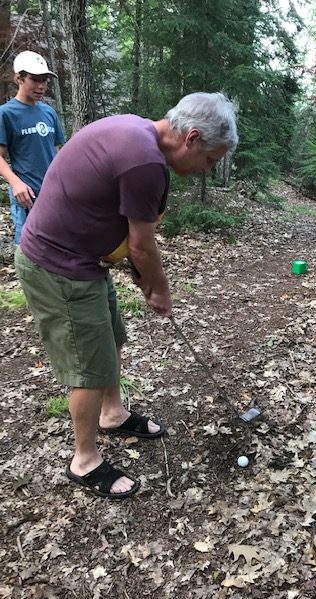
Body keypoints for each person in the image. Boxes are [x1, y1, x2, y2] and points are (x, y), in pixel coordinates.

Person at [15, 92, 238, 499]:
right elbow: (141, 246)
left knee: (110, 339)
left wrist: (142, 276)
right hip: (57, 264)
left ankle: (113, 414)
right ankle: (84, 461)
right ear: (190, 138)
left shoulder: (138, 133)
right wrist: (160, 289)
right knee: (88, 365)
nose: (207, 169)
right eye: (209, 160)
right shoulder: (145, 163)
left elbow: (120, 226)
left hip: (85, 260)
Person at [0, 50, 65, 244]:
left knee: (56, 244)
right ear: (19, 78)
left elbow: (60, 152)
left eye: (44, 80)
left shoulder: (49, 113)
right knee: (27, 247)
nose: (41, 86)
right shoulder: (6, 114)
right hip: (26, 196)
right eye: (35, 80)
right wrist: (16, 183)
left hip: (53, 193)